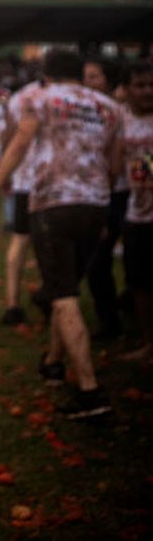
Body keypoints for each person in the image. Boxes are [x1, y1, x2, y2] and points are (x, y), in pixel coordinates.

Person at [0, 49, 121, 420]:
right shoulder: (109, 107)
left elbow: (21, 143)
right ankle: (54, 361)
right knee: (67, 285)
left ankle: (90, 391)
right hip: (95, 203)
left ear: (48, 74)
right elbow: (115, 161)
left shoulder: (39, 99)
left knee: (62, 293)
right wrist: (103, 206)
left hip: (53, 203)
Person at [83, 57, 127, 341]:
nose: (88, 82)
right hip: (101, 194)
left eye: (94, 76)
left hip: (125, 194)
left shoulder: (123, 113)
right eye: (85, 77)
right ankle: (109, 318)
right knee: (97, 263)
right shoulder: (86, 112)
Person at [0, 76, 43, 325]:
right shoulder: (70, 95)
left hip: (25, 180)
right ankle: (50, 296)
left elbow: (8, 137)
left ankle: (12, 304)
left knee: (20, 239)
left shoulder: (18, 98)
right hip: (49, 184)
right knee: (43, 242)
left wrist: (3, 173)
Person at [119, 60, 153, 363]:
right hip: (137, 213)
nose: (147, 91)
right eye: (140, 85)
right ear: (128, 89)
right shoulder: (121, 120)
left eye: (151, 85)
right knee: (140, 284)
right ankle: (148, 343)